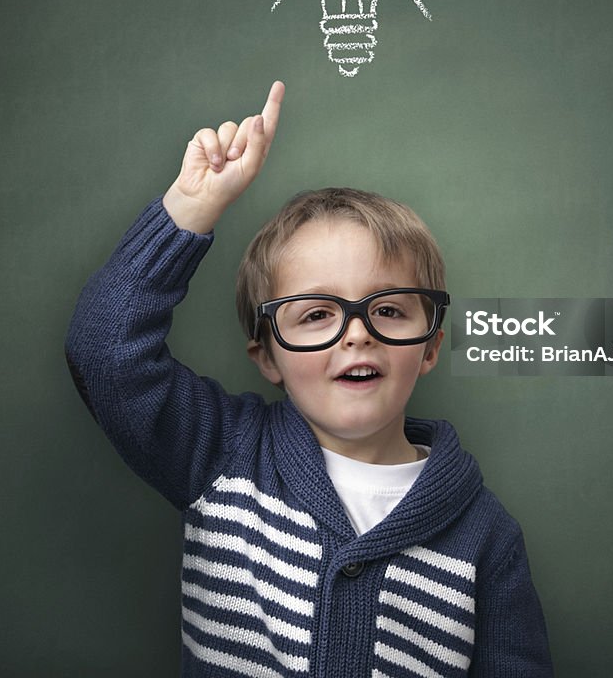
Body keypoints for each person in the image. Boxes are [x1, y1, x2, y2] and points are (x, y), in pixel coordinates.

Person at [65, 81, 553, 677]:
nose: (357, 334)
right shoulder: (220, 453)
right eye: (317, 314)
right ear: (267, 356)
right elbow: (103, 352)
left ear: (429, 348)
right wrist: (190, 208)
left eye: (390, 309)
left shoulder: (486, 537)